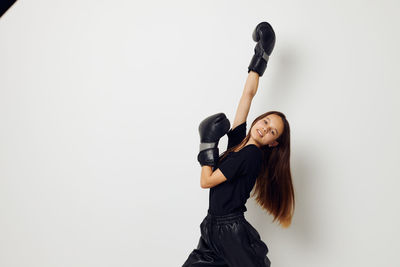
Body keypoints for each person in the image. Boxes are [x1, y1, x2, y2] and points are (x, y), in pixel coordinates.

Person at [183, 22, 295, 267]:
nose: (264, 128)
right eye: (265, 121)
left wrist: (208, 145)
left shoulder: (252, 154)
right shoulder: (240, 142)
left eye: (271, 131)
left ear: (273, 142)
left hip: (229, 230)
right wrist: (261, 56)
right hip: (213, 226)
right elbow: (247, 96)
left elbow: (206, 181)